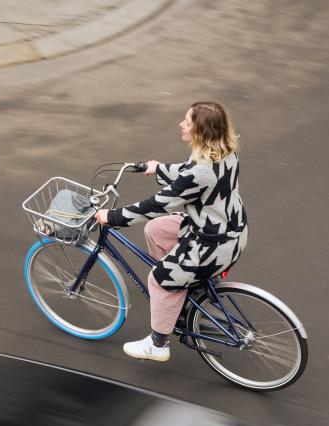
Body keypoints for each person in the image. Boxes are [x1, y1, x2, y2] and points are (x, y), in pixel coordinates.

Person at [95, 101, 248, 362]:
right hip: (227, 229)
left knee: (158, 278)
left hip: (212, 244)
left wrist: (112, 216)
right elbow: (187, 175)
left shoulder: (201, 171)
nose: (181, 124)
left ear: (202, 131)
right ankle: (181, 290)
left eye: (187, 122)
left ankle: (158, 344)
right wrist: (159, 168)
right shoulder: (221, 153)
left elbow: (158, 204)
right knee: (157, 230)